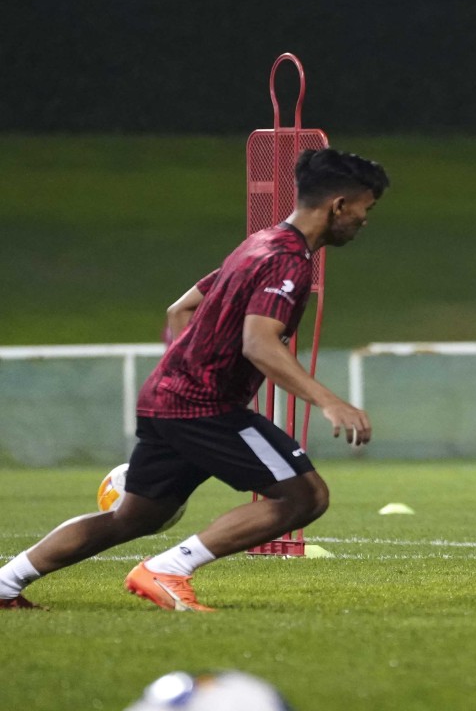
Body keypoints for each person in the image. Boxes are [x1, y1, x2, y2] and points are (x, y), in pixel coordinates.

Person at [0, 148, 390, 611]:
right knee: (302, 496)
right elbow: (259, 344)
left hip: (168, 398)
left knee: (136, 516)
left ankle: (4, 583)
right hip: (204, 406)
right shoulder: (288, 261)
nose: (366, 219)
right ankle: (168, 569)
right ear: (339, 205)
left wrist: (188, 366)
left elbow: (179, 309)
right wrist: (329, 401)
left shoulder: (257, 244)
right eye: (367, 206)